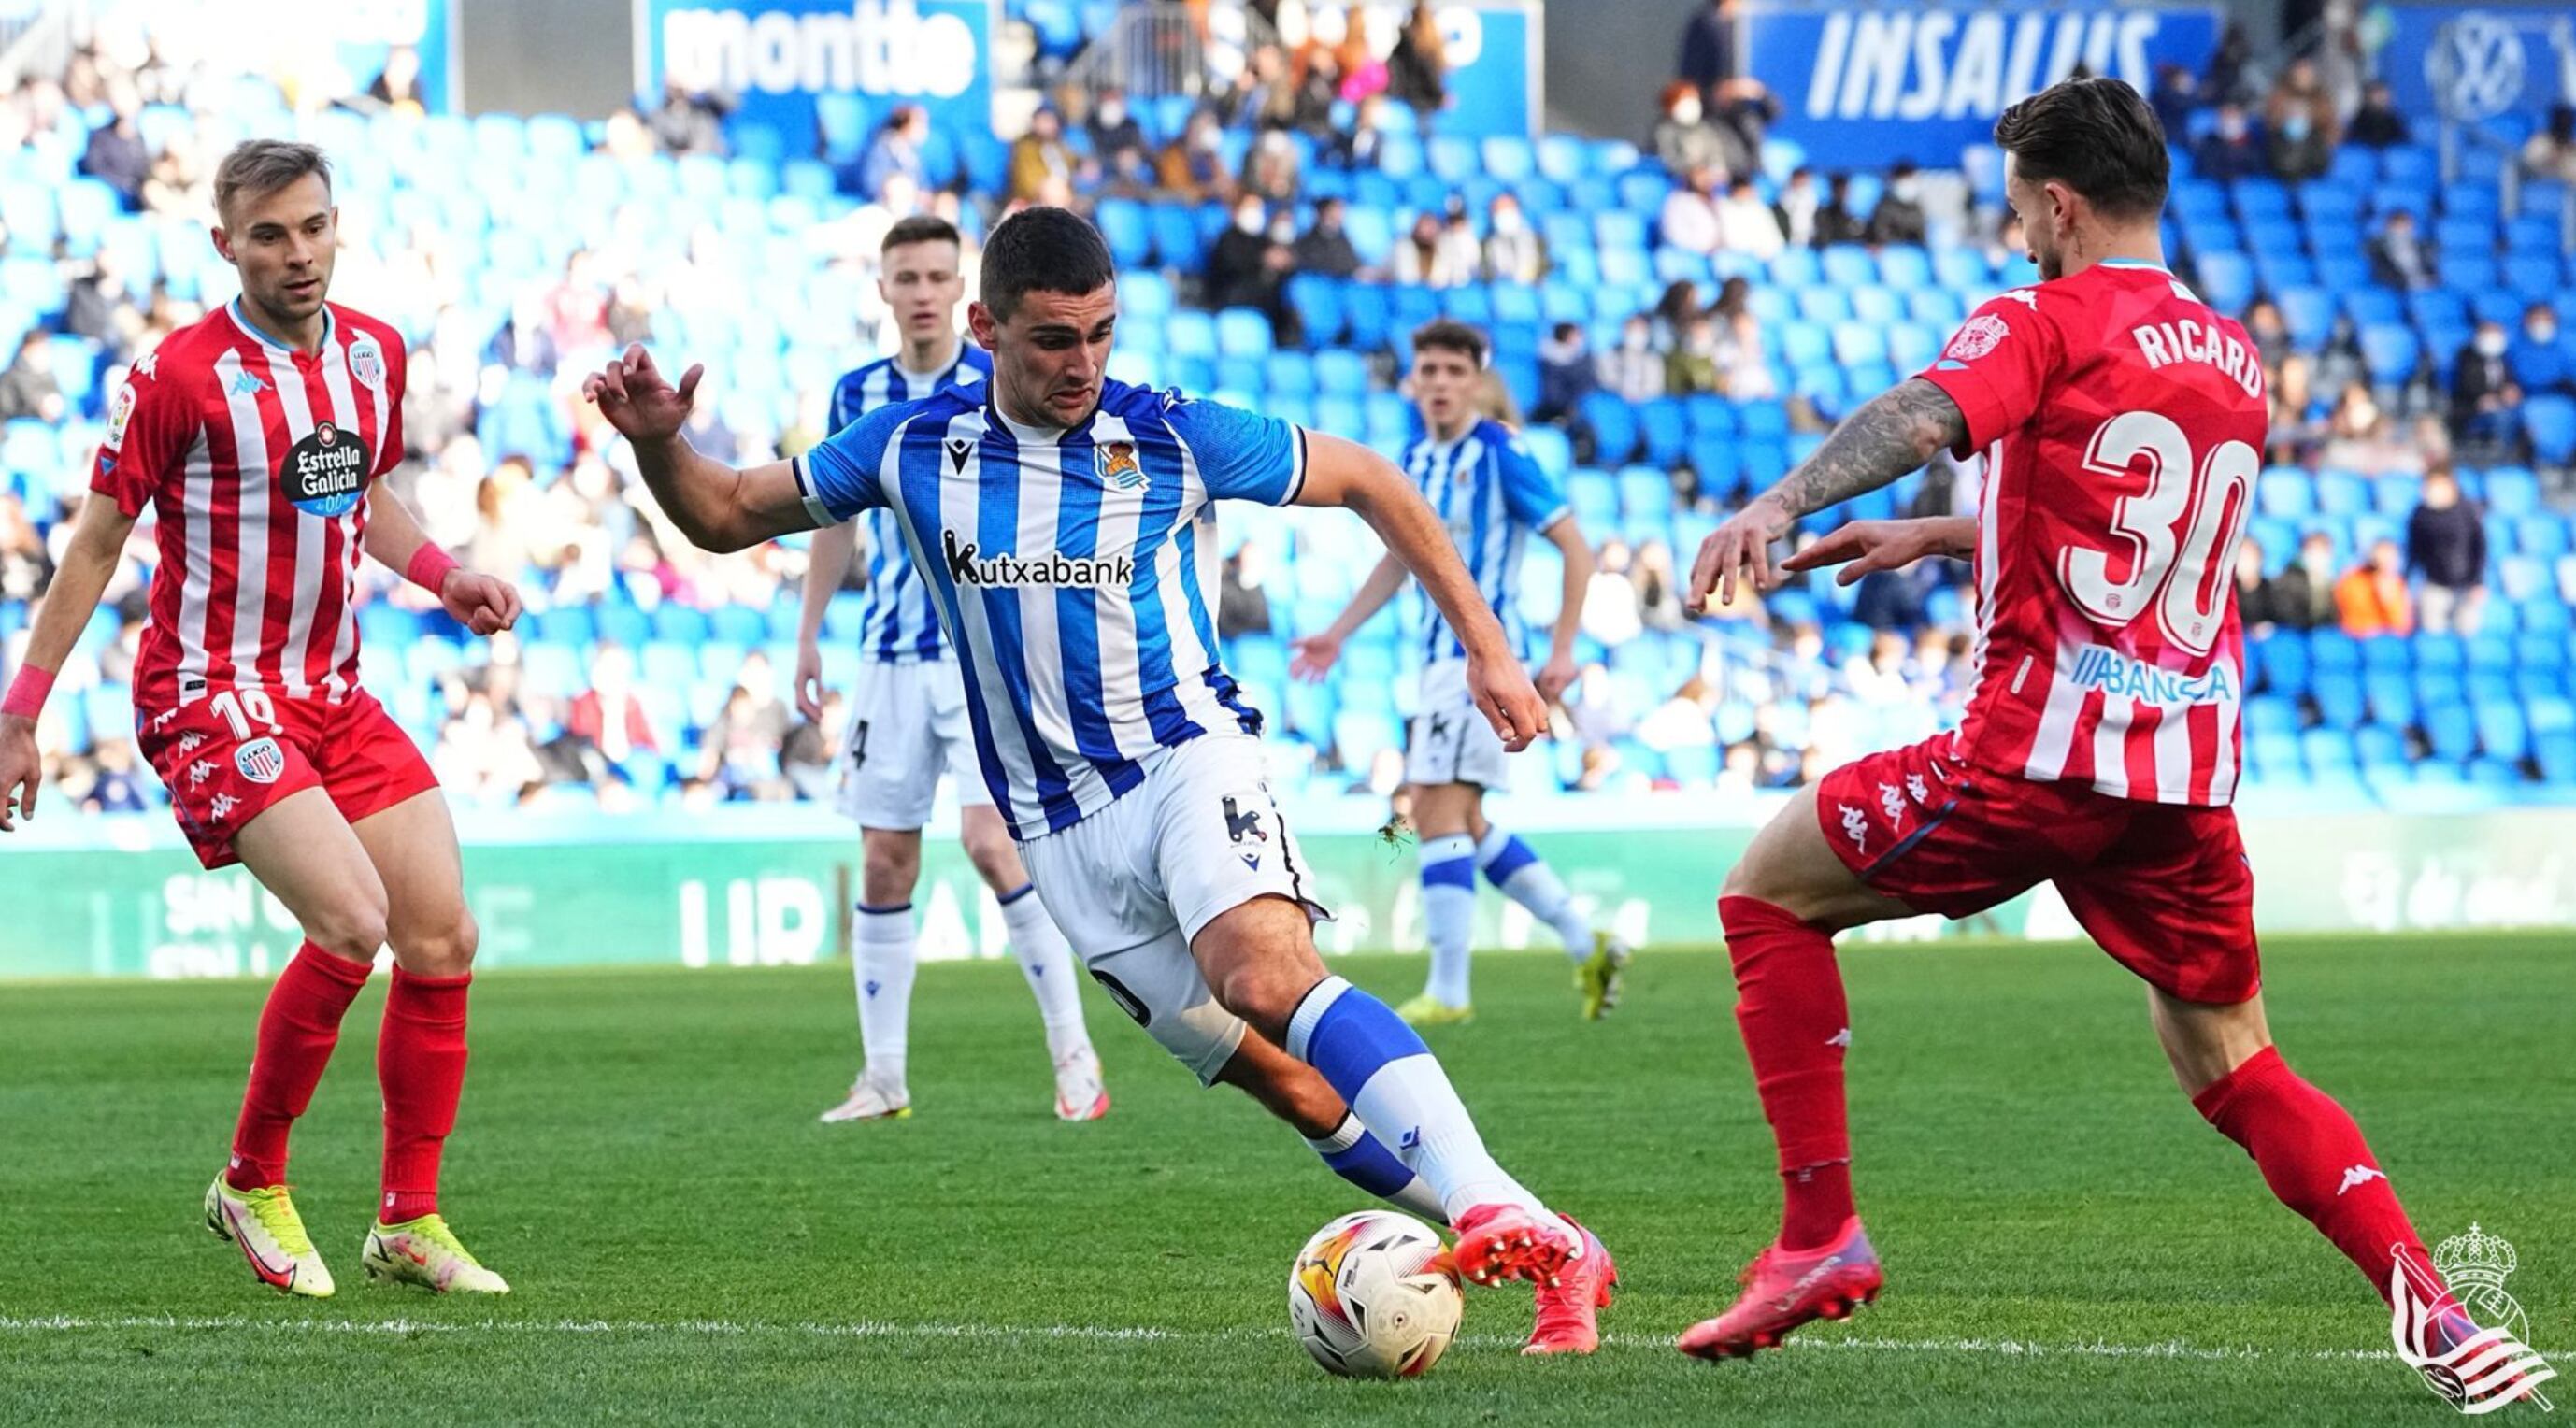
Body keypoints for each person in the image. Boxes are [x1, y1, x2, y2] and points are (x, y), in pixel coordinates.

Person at [583, 207, 1618, 1354]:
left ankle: (1481, 1207)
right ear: (984, 329)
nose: (1082, 364)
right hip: (1057, 832)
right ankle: (1545, 1236)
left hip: (1184, 755)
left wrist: (1486, 645)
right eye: (1051, 341)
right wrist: (654, 445)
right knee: (1288, 1086)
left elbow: (1371, 479)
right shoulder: (909, 446)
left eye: (1100, 334)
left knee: (1263, 973)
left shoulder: (1168, 433)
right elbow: (726, 512)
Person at [1674, 79, 2519, 1391]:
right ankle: (2441, 1313)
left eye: (2019, 210)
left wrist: (1776, 506)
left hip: (2033, 760)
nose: (2015, 235)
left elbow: (1923, 414)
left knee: (1766, 898)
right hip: (2179, 778)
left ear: (2059, 205)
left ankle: (1817, 1237)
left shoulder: (2043, 315)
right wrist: (1950, 534)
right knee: (2236, 1062)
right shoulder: (2231, 354)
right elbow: (2136, 524)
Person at [0, 140, 522, 1297]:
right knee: (351, 920)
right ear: (225, 243)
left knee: (441, 937)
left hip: (330, 687)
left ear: (339, 225)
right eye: (272, 235)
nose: (299, 254)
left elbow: (364, 496)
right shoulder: (180, 374)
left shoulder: (376, 354)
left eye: (315, 228)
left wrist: (446, 577)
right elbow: (95, 543)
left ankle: (409, 1218)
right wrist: (20, 711)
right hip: (207, 689)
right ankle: (250, 1178)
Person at [791, 213, 1109, 1125]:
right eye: (908, 276)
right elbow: (830, 518)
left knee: (989, 839)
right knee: (884, 860)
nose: (922, 291)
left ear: (964, 297)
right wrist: (810, 632)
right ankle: (882, 1077)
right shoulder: (856, 393)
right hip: (888, 653)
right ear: (885, 289)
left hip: (986, 653)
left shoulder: (998, 377)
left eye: (938, 275)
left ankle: (1075, 1058)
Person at [1290, 320, 1631, 1026]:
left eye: (1453, 370)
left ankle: (1449, 990)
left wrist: (1561, 650)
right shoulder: (1412, 459)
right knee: (1466, 821)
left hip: (1477, 661)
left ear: (1476, 379)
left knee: (1433, 810)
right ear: (1413, 381)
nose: (1440, 383)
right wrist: (1338, 634)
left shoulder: (1501, 453)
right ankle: (1583, 938)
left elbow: (1574, 547)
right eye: (1429, 370)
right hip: (1434, 664)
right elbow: (1399, 558)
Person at [2407, 464, 2486, 636]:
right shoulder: (2421, 514)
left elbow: (2479, 548)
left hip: (2465, 586)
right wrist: (2406, 579)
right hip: (2434, 585)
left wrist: (2478, 581)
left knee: (2466, 637)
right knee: (2434, 640)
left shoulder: (2467, 511)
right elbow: (2413, 550)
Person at [2450, 321, 2522, 448]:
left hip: (2501, 403)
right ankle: (2503, 453)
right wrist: (2490, 398)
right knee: (2501, 416)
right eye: (2489, 334)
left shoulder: (2504, 358)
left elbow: (2511, 382)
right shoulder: (2466, 357)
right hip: (2471, 406)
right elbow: (2467, 386)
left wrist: (2511, 392)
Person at [2336, 537, 2414, 637]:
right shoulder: (2352, 580)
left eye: (2391, 555)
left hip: (2387, 641)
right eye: (2383, 553)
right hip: (2358, 640)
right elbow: (2348, 619)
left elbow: (2401, 625)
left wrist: (2387, 599)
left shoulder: (2397, 584)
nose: (2386, 559)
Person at [1653, 80, 1728, 177]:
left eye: (1693, 99)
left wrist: (1714, 172)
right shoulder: (1664, 131)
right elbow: (1668, 160)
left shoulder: (1705, 129)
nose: (1691, 104)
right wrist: (1692, 173)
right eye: (1685, 99)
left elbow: (1716, 156)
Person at [1007, 107, 1075, 206]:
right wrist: (1050, 188)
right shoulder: (1025, 147)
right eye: (1043, 121)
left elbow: (1073, 163)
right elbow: (1026, 182)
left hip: (1067, 197)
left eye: (1050, 121)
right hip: (1037, 202)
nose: (1047, 126)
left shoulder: (1060, 146)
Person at [1533, 321, 1596, 424]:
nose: (1581, 340)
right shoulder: (1550, 363)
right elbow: (1554, 394)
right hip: (1559, 409)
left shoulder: (1582, 360)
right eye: (1577, 336)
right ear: (1567, 337)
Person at [1292, 196, 1364, 280]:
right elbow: (1315, 267)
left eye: (1340, 212)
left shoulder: (1342, 238)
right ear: (1321, 213)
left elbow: (1353, 264)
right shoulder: (1307, 242)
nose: (1338, 216)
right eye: (1333, 212)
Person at [2191, 103, 2266, 182]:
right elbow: (2207, 171)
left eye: (2234, 116)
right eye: (2226, 117)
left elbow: (2259, 174)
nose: (2230, 121)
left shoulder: (2254, 145)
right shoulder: (2210, 144)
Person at [0, 331, 64, 422]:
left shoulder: (50, 376)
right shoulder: (8, 378)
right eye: (39, 350)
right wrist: (38, 408)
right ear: (26, 351)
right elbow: (6, 410)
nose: (43, 355)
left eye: (46, 350)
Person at [1715, 176, 1784, 260]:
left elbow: (1774, 239)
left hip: (1764, 257)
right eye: (1743, 191)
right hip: (1738, 257)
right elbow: (1731, 239)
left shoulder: (1759, 208)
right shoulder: (1724, 208)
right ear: (1735, 191)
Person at [1660, 164, 1724, 255]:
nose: (1705, 179)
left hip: (1718, 254)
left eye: (1707, 175)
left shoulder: (1719, 201)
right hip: (1689, 255)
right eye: (1700, 175)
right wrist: (1702, 249)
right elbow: (1675, 235)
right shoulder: (1678, 201)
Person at [2510, 302, 2569, 397]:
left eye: (2547, 319)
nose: (2542, 324)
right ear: (2526, 321)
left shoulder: (2565, 347)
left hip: (2561, 396)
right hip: (2522, 398)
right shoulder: (2513, 347)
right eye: (2537, 319)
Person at [1482, 193, 1544, 284]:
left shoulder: (1537, 240)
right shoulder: (1485, 244)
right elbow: (1485, 273)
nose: (1505, 214)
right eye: (1500, 211)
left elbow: (1544, 269)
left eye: (1509, 209)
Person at [2368, 210, 2434, 292]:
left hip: (2424, 287)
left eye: (2406, 226)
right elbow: (2383, 276)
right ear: (2389, 228)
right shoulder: (2379, 249)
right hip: (2397, 290)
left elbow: (2432, 271)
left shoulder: (2423, 247)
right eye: (2398, 227)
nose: (2403, 231)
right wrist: (2409, 282)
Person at [1863, 161, 1926, 245]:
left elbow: (1922, 234)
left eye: (1909, 178)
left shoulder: (1917, 206)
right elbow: (1880, 235)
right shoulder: (1884, 207)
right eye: (1903, 179)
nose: (1907, 184)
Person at [2522, 103, 2576, 184]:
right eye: (2561, 120)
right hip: (2539, 185)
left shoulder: (2572, 148)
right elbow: (2527, 166)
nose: (2564, 124)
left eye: (2567, 121)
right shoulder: (2539, 142)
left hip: (2565, 189)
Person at [2346, 80, 2409, 149]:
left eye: (2383, 94)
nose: (2381, 98)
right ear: (2368, 97)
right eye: (2377, 95)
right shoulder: (2360, 121)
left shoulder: (2393, 119)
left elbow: (2403, 139)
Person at [1812, 172, 1864, 247]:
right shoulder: (1824, 213)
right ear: (1833, 191)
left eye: (1844, 190)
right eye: (1839, 190)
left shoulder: (1851, 215)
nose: (1842, 193)